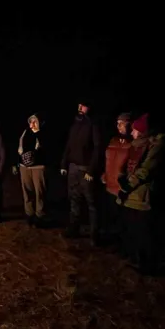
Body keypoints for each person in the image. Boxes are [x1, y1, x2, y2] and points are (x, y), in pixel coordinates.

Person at [117, 113, 165, 275]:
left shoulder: (154, 147)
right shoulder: (137, 146)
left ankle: (148, 265)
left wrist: (128, 185)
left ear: (143, 132)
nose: (132, 133)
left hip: (143, 194)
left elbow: (145, 170)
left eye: (135, 130)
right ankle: (136, 258)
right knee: (133, 228)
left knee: (144, 231)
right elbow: (127, 166)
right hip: (133, 193)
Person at [60, 100, 102, 241]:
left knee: (91, 202)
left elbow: (97, 148)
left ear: (89, 108)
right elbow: (69, 145)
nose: (80, 108)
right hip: (73, 167)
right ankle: (74, 228)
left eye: (83, 106)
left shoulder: (93, 125)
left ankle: (94, 234)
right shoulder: (75, 124)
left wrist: (91, 170)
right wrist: (64, 163)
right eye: (79, 105)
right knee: (74, 198)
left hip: (85, 168)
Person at [98, 112, 132, 245]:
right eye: (118, 123)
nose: (119, 126)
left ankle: (124, 245)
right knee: (109, 216)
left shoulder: (132, 144)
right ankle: (111, 241)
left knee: (122, 219)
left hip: (121, 188)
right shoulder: (113, 141)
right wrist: (104, 174)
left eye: (122, 123)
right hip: (109, 184)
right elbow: (106, 160)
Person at [12, 113, 47, 226]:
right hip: (24, 167)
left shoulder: (43, 134)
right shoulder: (25, 133)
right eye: (30, 121)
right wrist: (16, 163)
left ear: (40, 122)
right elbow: (19, 149)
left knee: (39, 192)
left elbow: (48, 151)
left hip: (38, 167)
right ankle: (29, 214)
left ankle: (40, 215)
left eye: (35, 121)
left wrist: (39, 149)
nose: (32, 124)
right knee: (27, 191)